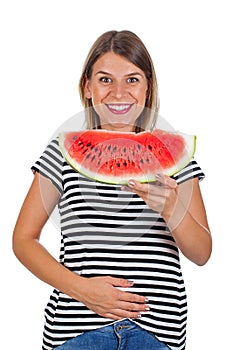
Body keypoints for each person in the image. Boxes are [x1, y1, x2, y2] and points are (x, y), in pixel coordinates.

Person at [12, 30, 212, 350]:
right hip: (75, 331)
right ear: (87, 87)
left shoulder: (175, 157)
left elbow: (201, 253)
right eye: (105, 80)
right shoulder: (61, 152)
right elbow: (23, 240)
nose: (119, 93)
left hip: (157, 334)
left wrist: (172, 208)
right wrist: (82, 290)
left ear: (148, 87)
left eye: (132, 80)